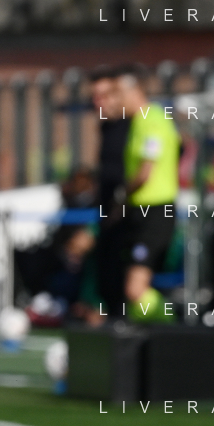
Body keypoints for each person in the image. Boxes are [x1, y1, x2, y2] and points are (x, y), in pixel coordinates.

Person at [114, 63, 181, 322]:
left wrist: (122, 194)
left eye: (120, 92)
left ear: (137, 90)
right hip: (143, 212)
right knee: (132, 287)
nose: (116, 99)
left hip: (155, 212)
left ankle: (175, 329)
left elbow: (145, 172)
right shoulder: (140, 121)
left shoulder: (152, 121)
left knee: (135, 289)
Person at [88, 64, 131, 318]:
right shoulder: (106, 127)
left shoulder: (134, 125)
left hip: (127, 216)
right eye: (95, 97)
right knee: (106, 280)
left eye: (104, 96)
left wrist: (121, 202)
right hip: (107, 217)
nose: (98, 102)